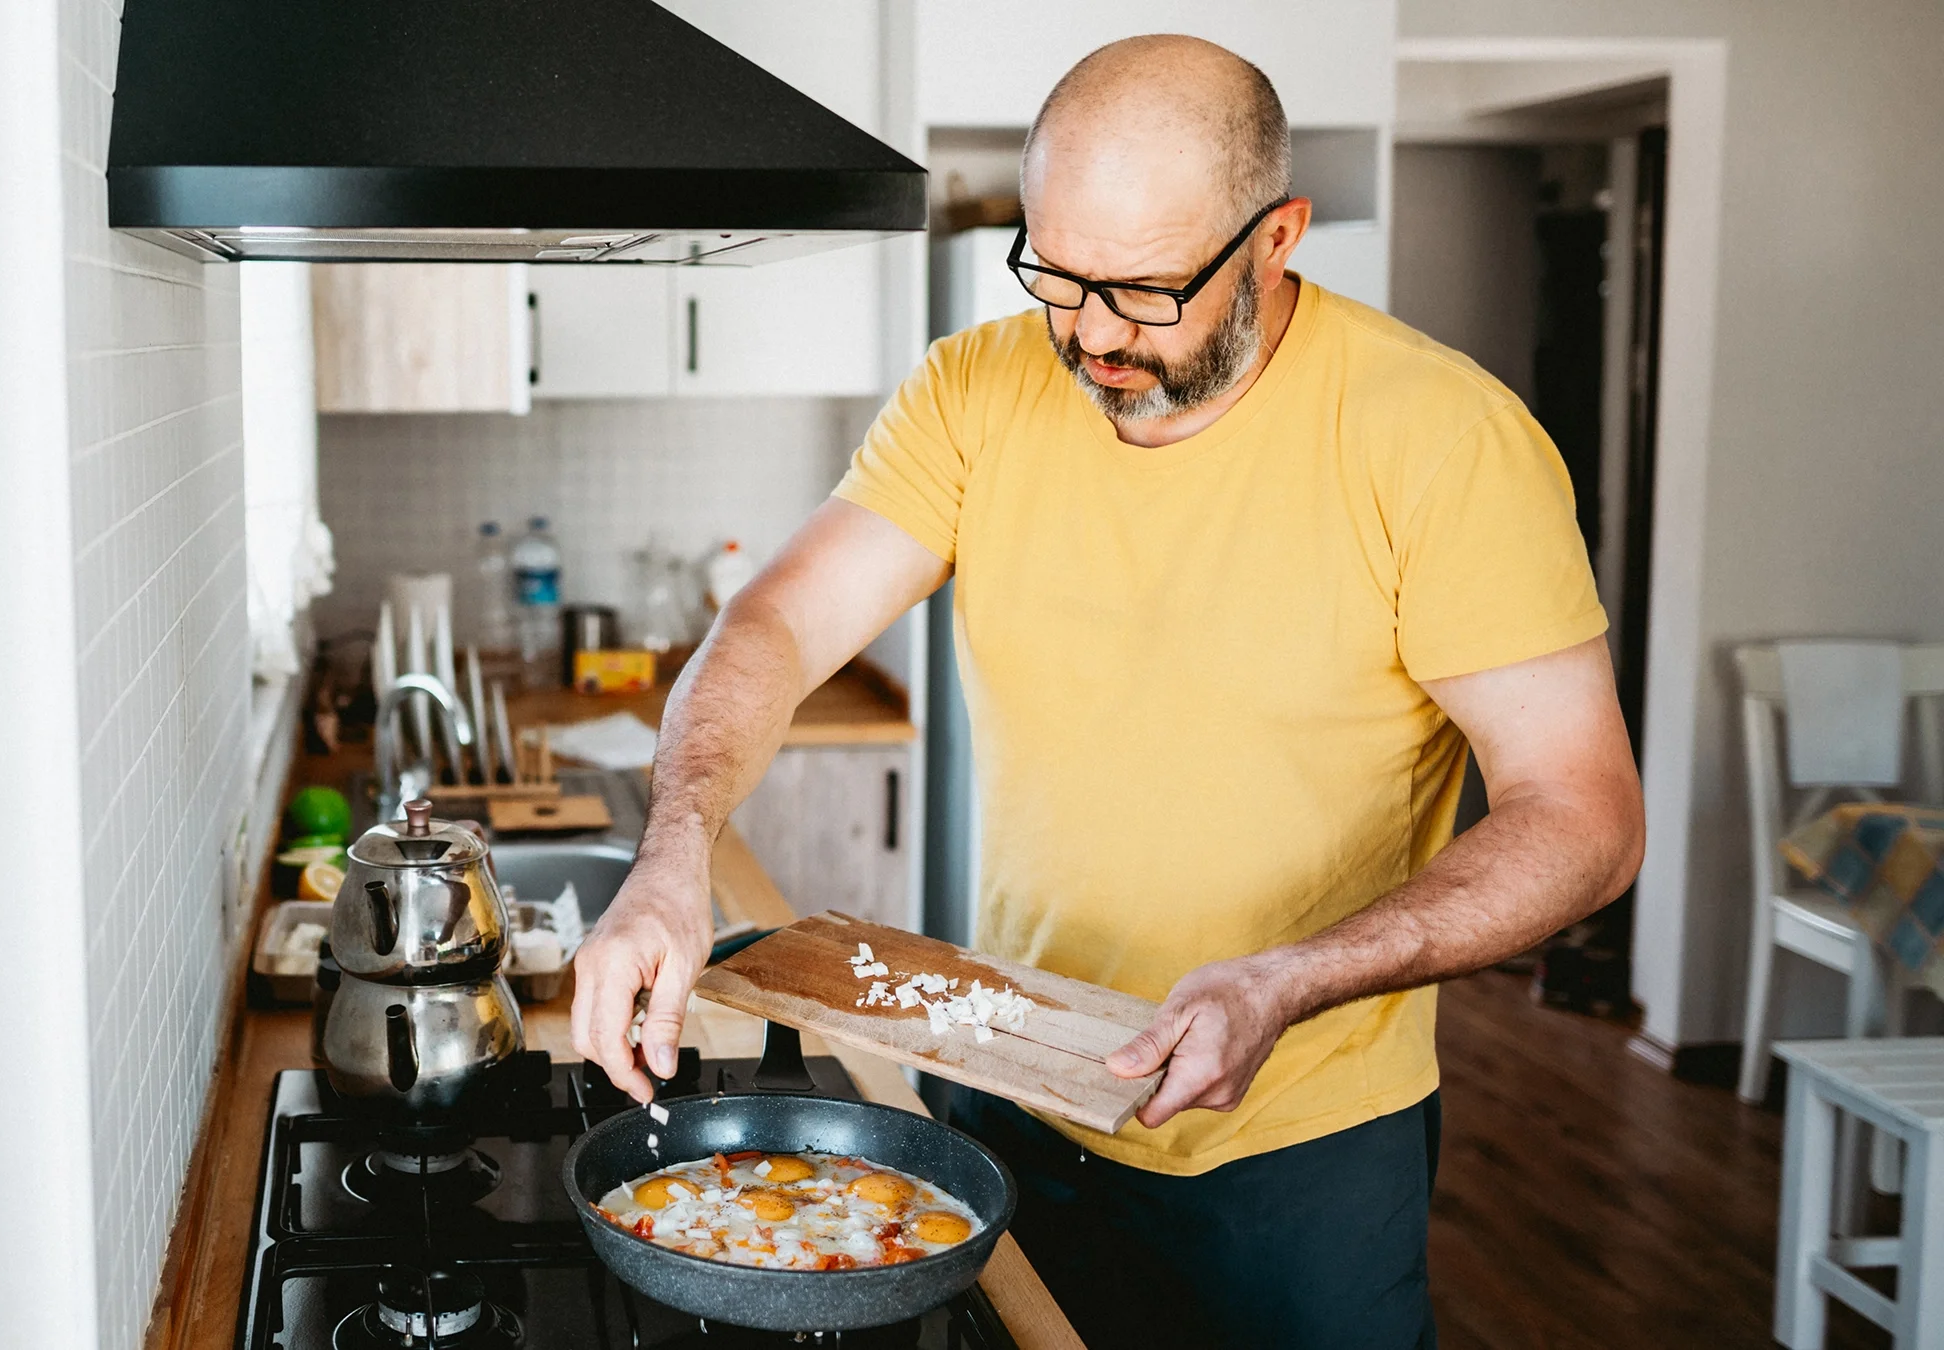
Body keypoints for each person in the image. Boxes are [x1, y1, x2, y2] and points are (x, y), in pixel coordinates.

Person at [571, 33, 1644, 1348]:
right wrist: (676, 847)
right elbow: (779, 620)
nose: (1087, 334)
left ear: (1277, 237)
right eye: (1055, 276)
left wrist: (1290, 979)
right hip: (1010, 1091)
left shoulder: (1446, 442)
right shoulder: (974, 388)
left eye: (1142, 291)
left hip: (1299, 1148)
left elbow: (1584, 812)